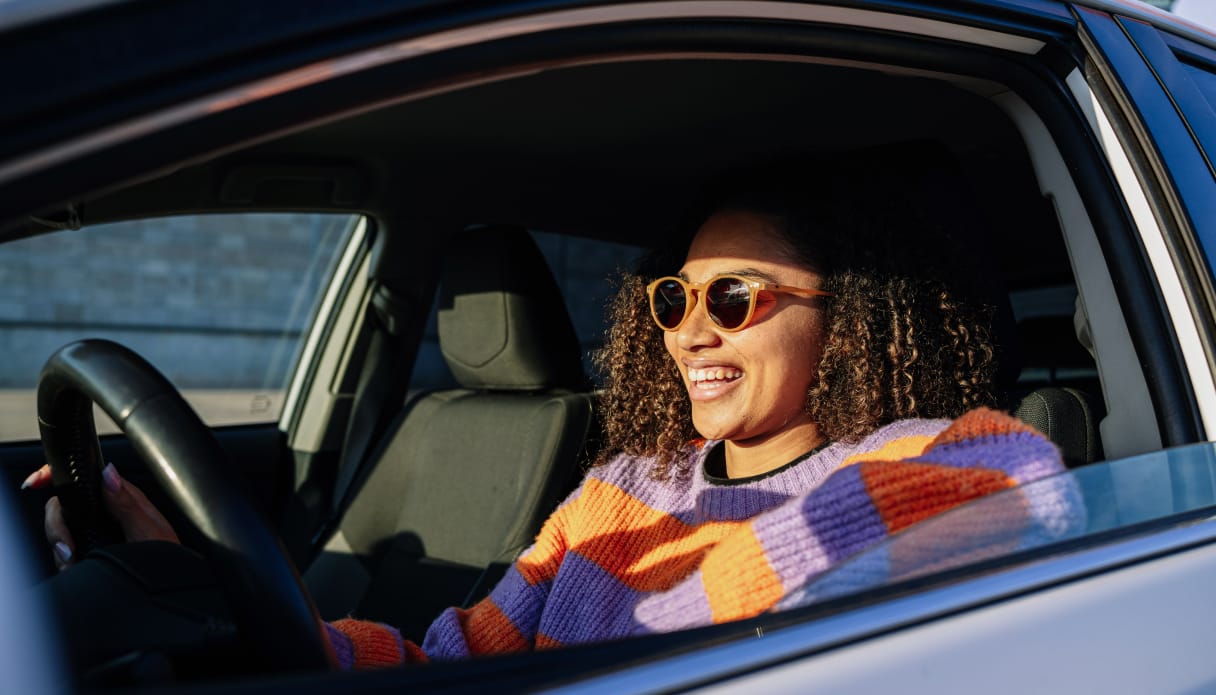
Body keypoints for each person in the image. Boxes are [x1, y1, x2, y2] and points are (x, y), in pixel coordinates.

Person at [28, 173, 1075, 668]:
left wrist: (639, 634)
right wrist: (207, 579)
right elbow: (456, 657)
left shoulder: (924, 454)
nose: (690, 334)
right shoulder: (627, 485)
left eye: (734, 297)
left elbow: (1019, 479)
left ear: (844, 322)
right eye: (673, 298)